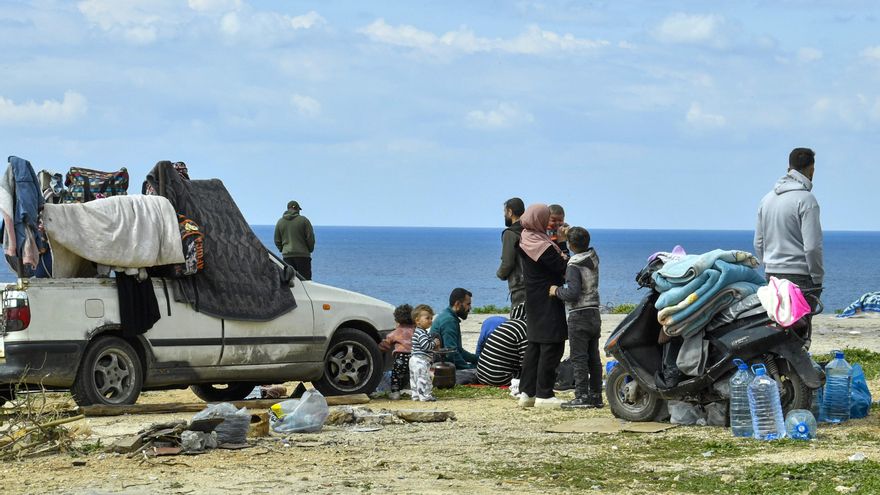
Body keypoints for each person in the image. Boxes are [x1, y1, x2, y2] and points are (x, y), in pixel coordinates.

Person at [754, 147, 823, 339]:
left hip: (773, 275)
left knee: (778, 333)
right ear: (812, 169)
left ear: (788, 167)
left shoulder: (767, 199)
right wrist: (817, 277)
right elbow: (812, 247)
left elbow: (758, 242)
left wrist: (768, 266)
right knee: (800, 333)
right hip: (801, 276)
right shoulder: (807, 200)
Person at [516, 203, 568, 408]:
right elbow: (563, 268)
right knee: (552, 343)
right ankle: (544, 394)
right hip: (548, 296)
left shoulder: (526, 237)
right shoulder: (542, 245)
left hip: (533, 297)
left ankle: (527, 392)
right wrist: (563, 244)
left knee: (535, 345)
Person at [550, 227, 603, 409]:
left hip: (578, 314)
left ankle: (581, 396)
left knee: (579, 357)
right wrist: (571, 232)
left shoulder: (573, 265)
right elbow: (581, 242)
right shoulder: (593, 257)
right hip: (594, 312)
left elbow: (572, 293)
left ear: (571, 245)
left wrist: (556, 291)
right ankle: (596, 395)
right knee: (593, 357)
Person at [432, 288, 478, 378]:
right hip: (442, 367)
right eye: (468, 304)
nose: (470, 308)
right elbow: (451, 353)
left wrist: (477, 358)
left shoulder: (448, 316)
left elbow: (458, 350)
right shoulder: (449, 321)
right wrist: (468, 367)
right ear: (457, 304)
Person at [476, 316, 528, 390]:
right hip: (498, 379)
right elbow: (527, 363)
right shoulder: (525, 330)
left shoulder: (509, 323)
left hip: (481, 376)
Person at [497, 197, 527, 318]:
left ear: (510, 212)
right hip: (534, 283)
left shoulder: (510, 233)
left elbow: (507, 262)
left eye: (505, 212)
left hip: (519, 286)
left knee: (518, 322)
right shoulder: (530, 230)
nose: (504, 215)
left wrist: (500, 274)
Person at [378, 304, 415, 400]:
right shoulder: (415, 331)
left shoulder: (396, 332)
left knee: (396, 375)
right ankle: (416, 392)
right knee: (414, 375)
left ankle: (395, 393)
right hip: (414, 357)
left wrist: (379, 347)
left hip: (401, 358)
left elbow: (386, 344)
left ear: (397, 319)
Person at [274, 200, 315, 280]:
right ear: (297, 209)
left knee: (290, 281)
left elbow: (277, 240)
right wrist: (310, 249)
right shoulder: (304, 221)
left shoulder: (280, 222)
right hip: (303, 256)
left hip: (287, 257)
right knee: (305, 281)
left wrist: (283, 249)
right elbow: (310, 238)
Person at [410, 304, 440, 402]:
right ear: (417, 320)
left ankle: (415, 395)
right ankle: (424, 396)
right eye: (427, 318)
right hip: (420, 359)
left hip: (414, 359)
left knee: (415, 378)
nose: (430, 321)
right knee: (423, 378)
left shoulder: (418, 332)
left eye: (431, 318)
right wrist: (434, 343)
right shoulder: (421, 333)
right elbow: (425, 346)